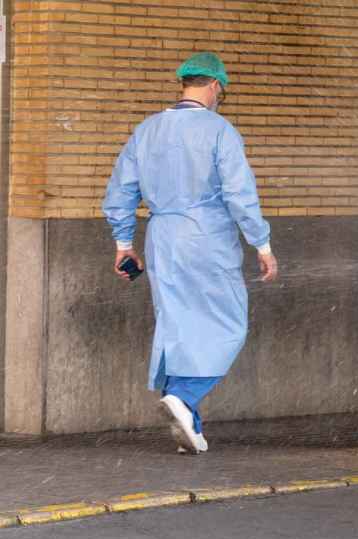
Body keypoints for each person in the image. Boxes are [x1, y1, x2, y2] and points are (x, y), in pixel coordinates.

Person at [103, 52, 279, 454]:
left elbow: (121, 192)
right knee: (228, 321)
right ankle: (185, 396)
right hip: (207, 236)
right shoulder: (219, 131)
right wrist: (262, 243)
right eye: (223, 91)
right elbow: (239, 194)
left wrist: (124, 244)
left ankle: (189, 424)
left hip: (162, 237)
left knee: (177, 323)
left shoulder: (146, 130)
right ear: (215, 86)